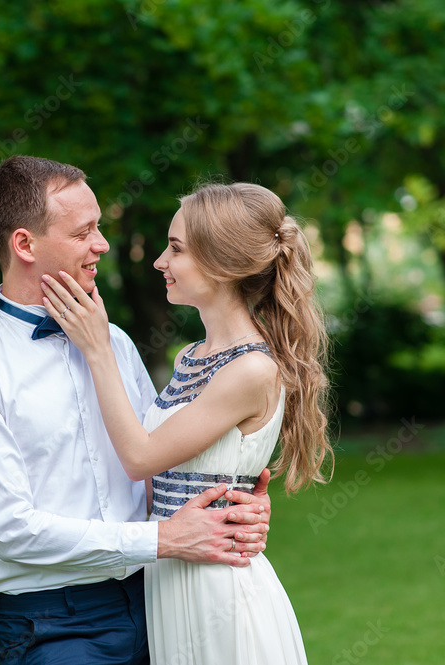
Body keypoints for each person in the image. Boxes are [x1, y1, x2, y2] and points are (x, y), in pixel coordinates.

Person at [0, 157, 274, 665]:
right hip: (57, 621)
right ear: (25, 244)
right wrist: (162, 538)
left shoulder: (112, 342)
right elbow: (11, 530)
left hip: (164, 597)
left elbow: (155, 463)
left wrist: (233, 506)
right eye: (84, 231)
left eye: (100, 228)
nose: (103, 245)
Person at [39, 182, 332, 664]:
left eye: (175, 249)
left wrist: (98, 349)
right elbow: (162, 478)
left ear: (222, 263)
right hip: (172, 577)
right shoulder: (192, 356)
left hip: (217, 590)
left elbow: (139, 457)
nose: (159, 261)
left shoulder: (251, 369)